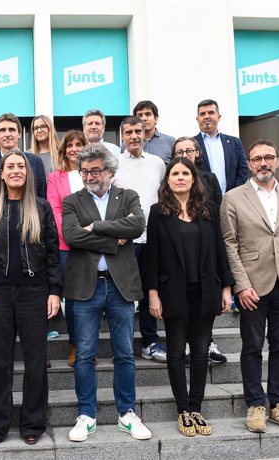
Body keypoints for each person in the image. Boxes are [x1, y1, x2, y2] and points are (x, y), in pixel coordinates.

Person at [221, 139, 279, 434]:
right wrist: (240, 285)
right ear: (249, 164)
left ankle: (278, 405)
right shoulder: (233, 198)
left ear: (277, 161)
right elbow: (230, 245)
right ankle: (255, 405)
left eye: (268, 158)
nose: (263, 163)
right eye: (257, 158)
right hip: (253, 286)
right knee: (251, 347)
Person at [61, 143, 152, 443]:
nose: (89, 176)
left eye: (95, 170)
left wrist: (96, 227)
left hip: (120, 285)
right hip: (86, 285)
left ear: (110, 172)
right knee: (85, 354)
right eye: (84, 171)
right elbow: (72, 235)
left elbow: (137, 225)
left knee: (124, 353)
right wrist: (114, 239)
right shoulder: (72, 201)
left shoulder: (129, 197)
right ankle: (86, 414)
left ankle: (127, 413)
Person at [0, 150, 61, 447]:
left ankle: (32, 423)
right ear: (1, 173)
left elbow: (52, 254)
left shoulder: (42, 207)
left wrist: (54, 291)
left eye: (20, 166)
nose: (15, 170)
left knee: (36, 361)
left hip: (34, 292)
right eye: (9, 166)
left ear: (28, 173)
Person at [146, 157, 234, 437]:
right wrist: (153, 294)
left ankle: (196, 407)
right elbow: (152, 257)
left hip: (205, 290)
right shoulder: (158, 212)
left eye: (186, 173)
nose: (181, 177)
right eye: (175, 173)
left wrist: (226, 287)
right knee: (175, 353)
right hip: (172, 293)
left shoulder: (208, 210)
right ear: (168, 180)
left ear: (194, 179)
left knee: (199, 352)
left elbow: (220, 250)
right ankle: (182, 409)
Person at [113, 116, 167, 363]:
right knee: (122, 294)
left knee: (148, 291)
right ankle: (121, 346)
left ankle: (149, 342)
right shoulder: (114, 164)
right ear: (122, 136)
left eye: (138, 131)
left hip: (153, 238)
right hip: (125, 241)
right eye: (128, 132)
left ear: (145, 133)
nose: (134, 136)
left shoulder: (157, 163)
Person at [171, 136, 227, 364]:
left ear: (197, 153)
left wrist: (226, 284)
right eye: (179, 152)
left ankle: (208, 343)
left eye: (188, 150)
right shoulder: (171, 183)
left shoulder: (209, 179)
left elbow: (217, 212)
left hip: (204, 249)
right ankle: (184, 344)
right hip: (180, 256)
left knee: (204, 306)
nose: (184, 155)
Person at [46, 130, 87, 366]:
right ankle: (74, 344)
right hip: (65, 244)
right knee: (71, 297)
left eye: (79, 144)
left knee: (89, 295)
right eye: (70, 145)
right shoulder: (55, 177)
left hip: (92, 244)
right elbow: (55, 209)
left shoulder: (92, 173)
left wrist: (89, 234)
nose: (74, 149)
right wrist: (74, 234)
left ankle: (87, 344)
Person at [0, 113, 47, 202]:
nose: (7, 134)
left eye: (12, 130)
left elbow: (42, 196)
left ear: (19, 134)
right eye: (3, 130)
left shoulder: (35, 161)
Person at [194, 99, 249, 193]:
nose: (206, 116)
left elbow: (243, 172)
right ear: (197, 119)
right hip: (202, 201)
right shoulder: (191, 144)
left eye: (211, 112)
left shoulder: (235, 143)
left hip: (231, 200)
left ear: (219, 117)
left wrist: (233, 195)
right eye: (202, 114)